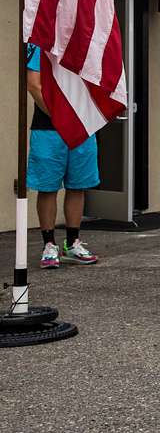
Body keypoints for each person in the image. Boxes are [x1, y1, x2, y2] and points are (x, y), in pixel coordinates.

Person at [25, 44, 99, 269]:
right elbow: (33, 85)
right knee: (48, 187)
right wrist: (62, 117)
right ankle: (49, 245)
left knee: (78, 185)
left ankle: (72, 243)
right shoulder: (41, 43)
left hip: (83, 125)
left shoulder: (86, 40)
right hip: (48, 128)